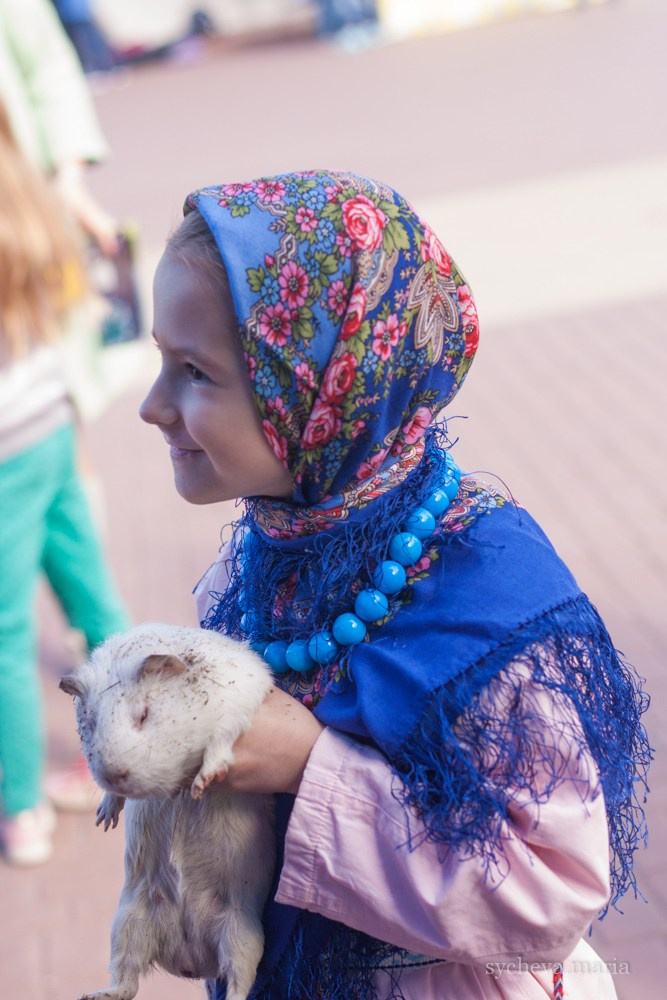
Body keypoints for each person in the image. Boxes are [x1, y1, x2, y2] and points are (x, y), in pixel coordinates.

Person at [139, 170, 650, 999]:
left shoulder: (487, 596)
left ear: (315, 391)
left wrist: (312, 769)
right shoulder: (249, 571)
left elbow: (547, 897)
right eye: (161, 361)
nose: (151, 406)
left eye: (194, 371)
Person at [0, 103, 130, 866]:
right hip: (50, 425)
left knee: (6, 631)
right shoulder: (33, 210)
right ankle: (149, 742)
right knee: (92, 595)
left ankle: (21, 805)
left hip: (4, 452)